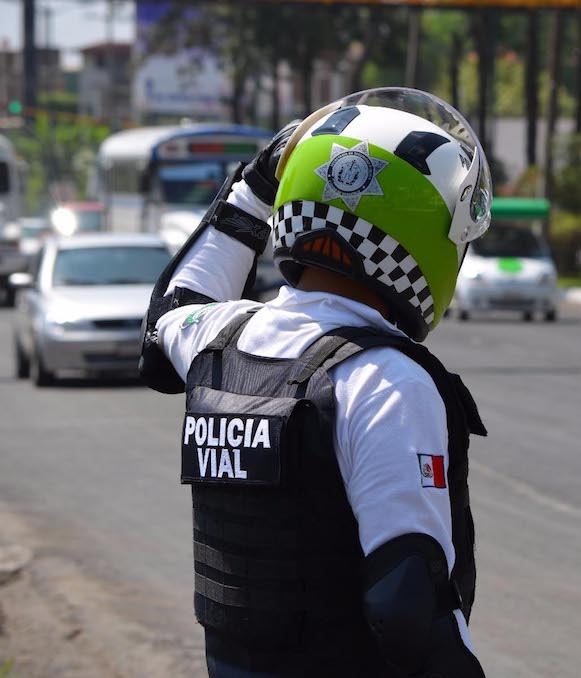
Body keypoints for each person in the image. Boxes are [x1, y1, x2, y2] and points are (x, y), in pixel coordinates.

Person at [139, 88, 491, 677]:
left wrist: (252, 187)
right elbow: (408, 606)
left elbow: (167, 319)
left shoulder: (221, 339)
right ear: (421, 235)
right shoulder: (384, 379)